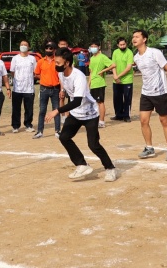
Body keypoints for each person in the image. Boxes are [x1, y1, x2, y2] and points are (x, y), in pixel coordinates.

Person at [45, 47, 116, 182]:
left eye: (58, 63)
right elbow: (69, 95)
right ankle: (82, 164)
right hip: (76, 113)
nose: (56, 65)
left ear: (67, 63)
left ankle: (110, 168)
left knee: (93, 145)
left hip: (90, 113)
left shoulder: (79, 76)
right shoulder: (61, 74)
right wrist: (62, 93)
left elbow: (77, 101)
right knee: (64, 137)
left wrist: (57, 111)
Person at [132, 29, 167, 160]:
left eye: (137, 36)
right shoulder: (136, 57)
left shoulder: (154, 52)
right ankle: (149, 148)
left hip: (160, 92)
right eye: (133, 37)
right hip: (146, 92)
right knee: (143, 121)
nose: (134, 39)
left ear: (144, 39)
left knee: (164, 121)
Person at [9, 40, 37, 133]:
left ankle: (28, 124)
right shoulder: (15, 58)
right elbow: (12, 71)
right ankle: (15, 126)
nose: (23, 46)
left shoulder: (32, 59)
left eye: (25, 45)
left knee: (29, 108)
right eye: (22, 44)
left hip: (29, 88)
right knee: (16, 108)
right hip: (17, 88)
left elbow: (35, 71)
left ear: (28, 47)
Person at [35, 41, 61, 139]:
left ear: (54, 50)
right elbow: (37, 73)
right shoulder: (41, 61)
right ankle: (39, 131)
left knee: (56, 110)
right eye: (47, 48)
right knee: (42, 110)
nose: (48, 50)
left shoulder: (57, 61)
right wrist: (44, 78)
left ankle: (57, 131)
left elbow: (61, 76)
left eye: (50, 48)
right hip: (44, 89)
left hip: (55, 89)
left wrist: (62, 90)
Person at [87, 41, 114, 128]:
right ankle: (95, 120)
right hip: (93, 83)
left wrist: (103, 70)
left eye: (95, 46)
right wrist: (88, 84)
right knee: (94, 103)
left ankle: (101, 121)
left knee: (100, 102)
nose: (93, 48)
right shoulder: (92, 58)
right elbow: (91, 72)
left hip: (99, 83)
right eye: (91, 46)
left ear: (99, 47)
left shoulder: (102, 57)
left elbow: (113, 65)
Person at [111, 37, 134, 122]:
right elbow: (113, 65)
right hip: (116, 79)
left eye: (124, 44)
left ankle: (126, 115)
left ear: (126, 44)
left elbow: (128, 68)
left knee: (127, 98)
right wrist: (115, 75)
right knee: (117, 98)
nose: (122, 46)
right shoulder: (115, 52)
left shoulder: (129, 52)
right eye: (120, 45)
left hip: (127, 80)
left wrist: (118, 76)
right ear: (117, 45)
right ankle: (118, 115)